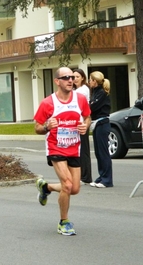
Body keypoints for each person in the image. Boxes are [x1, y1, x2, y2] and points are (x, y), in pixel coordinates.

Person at [34, 67, 91, 236]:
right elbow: (36, 127)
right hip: (56, 147)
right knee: (67, 185)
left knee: (74, 189)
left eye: (72, 77)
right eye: (66, 78)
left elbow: (87, 117)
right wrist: (46, 127)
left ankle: (47, 188)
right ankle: (64, 222)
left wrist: (85, 126)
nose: (70, 80)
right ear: (57, 81)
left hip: (74, 147)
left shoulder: (80, 99)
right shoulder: (48, 103)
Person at [88, 71, 113, 188]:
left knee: (103, 152)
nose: (89, 82)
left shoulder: (102, 93)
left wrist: (88, 106)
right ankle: (101, 176)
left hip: (103, 123)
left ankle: (107, 180)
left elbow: (92, 107)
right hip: (97, 124)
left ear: (95, 81)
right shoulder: (95, 92)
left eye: (90, 80)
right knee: (98, 152)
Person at [73, 68, 92, 184]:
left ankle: (86, 177)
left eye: (77, 77)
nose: (74, 79)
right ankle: (81, 175)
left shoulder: (83, 90)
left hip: (82, 123)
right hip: (76, 124)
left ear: (83, 78)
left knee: (83, 151)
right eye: (73, 77)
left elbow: (71, 97)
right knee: (78, 151)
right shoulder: (77, 90)